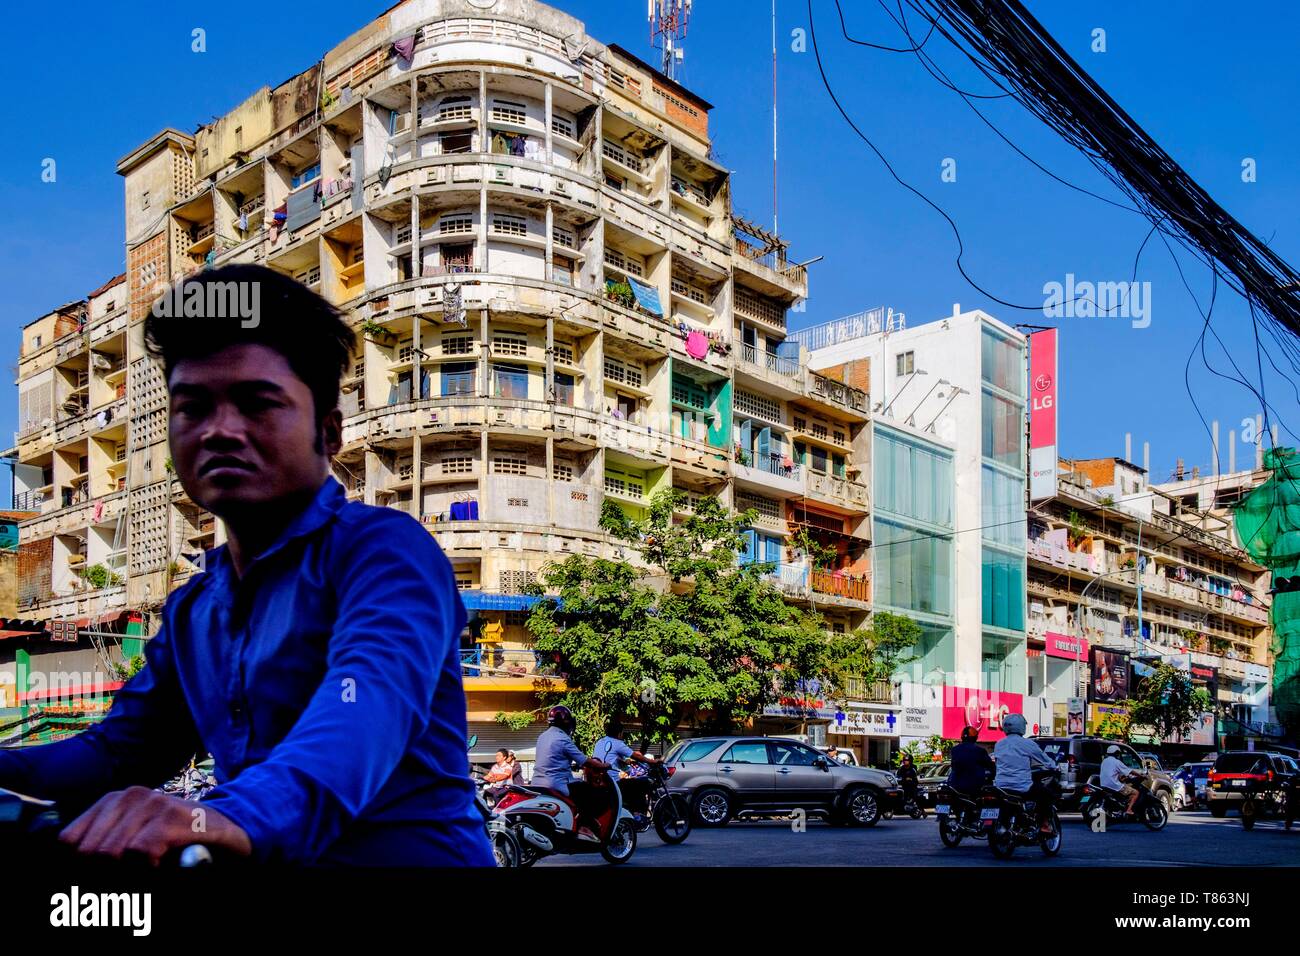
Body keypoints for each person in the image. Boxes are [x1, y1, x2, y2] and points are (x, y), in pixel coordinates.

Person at [0, 265, 493, 866]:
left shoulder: (386, 552)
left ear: (329, 432)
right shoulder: (193, 610)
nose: (221, 431)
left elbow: (363, 707)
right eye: (193, 407)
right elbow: (117, 752)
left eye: (258, 403)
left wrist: (227, 815)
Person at [532, 705, 607, 839]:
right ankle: (583, 826)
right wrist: (603, 765)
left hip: (537, 782)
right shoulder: (563, 739)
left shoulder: (542, 737)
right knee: (592, 793)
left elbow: (553, 759)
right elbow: (585, 761)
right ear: (567, 722)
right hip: (556, 783)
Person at [992, 713, 1056, 832]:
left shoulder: (998, 744)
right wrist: (1055, 766)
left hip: (1000, 786)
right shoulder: (1027, 743)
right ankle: (1044, 824)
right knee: (1046, 794)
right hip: (1021, 786)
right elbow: (1045, 760)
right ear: (1021, 726)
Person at [593, 719, 655, 821]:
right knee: (644, 782)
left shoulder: (600, 742)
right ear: (619, 733)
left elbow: (613, 759)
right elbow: (635, 756)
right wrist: (652, 762)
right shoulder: (617, 743)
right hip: (612, 783)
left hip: (601, 781)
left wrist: (628, 763)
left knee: (631, 783)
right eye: (622, 733)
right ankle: (637, 814)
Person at [947, 726, 995, 798]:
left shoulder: (955, 750)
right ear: (975, 738)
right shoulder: (979, 750)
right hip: (974, 786)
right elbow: (990, 766)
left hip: (955, 785)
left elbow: (953, 766)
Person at [1100, 744, 1141, 816]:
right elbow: (1129, 771)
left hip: (1103, 784)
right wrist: (1140, 775)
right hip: (1113, 785)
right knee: (1136, 793)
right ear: (1116, 753)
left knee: (1124, 788)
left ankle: (1119, 807)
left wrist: (1123, 778)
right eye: (1118, 753)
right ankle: (1129, 809)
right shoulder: (1117, 762)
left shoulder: (1104, 761)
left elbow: (1113, 773)